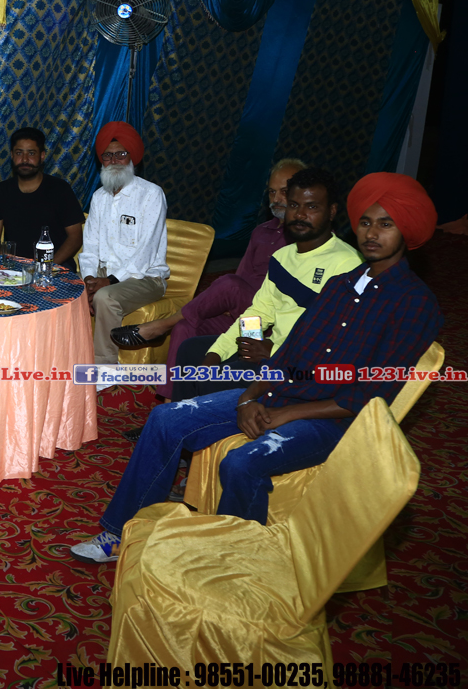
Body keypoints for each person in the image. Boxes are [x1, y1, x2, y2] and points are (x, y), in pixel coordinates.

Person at [69, 172, 442, 564]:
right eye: (366, 222)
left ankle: (235, 563)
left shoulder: (414, 303)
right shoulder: (342, 284)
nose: (372, 233)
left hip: (336, 419)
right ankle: (119, 532)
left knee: (241, 462)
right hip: (284, 390)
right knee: (164, 418)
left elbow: (369, 394)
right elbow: (291, 347)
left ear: (406, 231)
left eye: (386, 224)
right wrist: (249, 395)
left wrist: (283, 412)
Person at [110, 158, 306, 400]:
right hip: (245, 317)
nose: (276, 199)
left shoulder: (305, 239)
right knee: (185, 327)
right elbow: (242, 276)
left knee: (229, 284)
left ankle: (161, 325)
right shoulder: (261, 232)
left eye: (284, 192)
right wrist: (226, 305)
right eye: (272, 192)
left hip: (272, 326)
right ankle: (172, 402)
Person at [170, 168, 362, 402]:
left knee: (217, 378)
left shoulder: (347, 263)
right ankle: (178, 414)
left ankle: (201, 418)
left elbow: (338, 339)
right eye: (294, 205)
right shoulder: (282, 257)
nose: (300, 214)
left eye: (312, 207)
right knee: (191, 351)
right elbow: (259, 312)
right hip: (272, 352)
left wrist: (274, 353)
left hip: (300, 368)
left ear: (331, 211)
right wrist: (221, 352)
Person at [78, 122, 169, 377]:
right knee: (66, 291)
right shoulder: (99, 197)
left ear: (132, 157)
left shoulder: (151, 194)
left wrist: (108, 282)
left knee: (105, 298)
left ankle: (104, 369)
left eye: (121, 154)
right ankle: (69, 357)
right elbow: (90, 247)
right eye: (108, 156)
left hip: (145, 277)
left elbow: (145, 253)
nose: (114, 161)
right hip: (103, 274)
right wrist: (88, 280)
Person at [0, 127, 85, 262]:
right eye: (19, 153)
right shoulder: (1, 191)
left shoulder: (60, 189)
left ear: (42, 156)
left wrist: (47, 267)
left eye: (31, 153)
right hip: (14, 267)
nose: (25, 159)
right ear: (12, 155)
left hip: (56, 266)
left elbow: (75, 238)